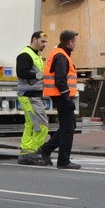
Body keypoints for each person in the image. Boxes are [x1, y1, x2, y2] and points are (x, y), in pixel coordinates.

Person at [39, 29, 81, 169]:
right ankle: (63, 161)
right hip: (62, 96)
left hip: (59, 95)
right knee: (68, 128)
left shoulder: (60, 53)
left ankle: (46, 149)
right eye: (74, 41)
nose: (75, 44)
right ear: (70, 42)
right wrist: (67, 99)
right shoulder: (61, 56)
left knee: (69, 126)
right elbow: (60, 80)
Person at [16, 31, 51, 165]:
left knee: (31, 125)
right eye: (42, 41)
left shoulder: (35, 55)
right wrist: (37, 76)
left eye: (46, 42)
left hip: (32, 96)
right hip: (29, 96)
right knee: (41, 126)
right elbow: (21, 72)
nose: (44, 45)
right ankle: (33, 152)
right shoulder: (26, 54)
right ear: (34, 39)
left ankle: (26, 153)